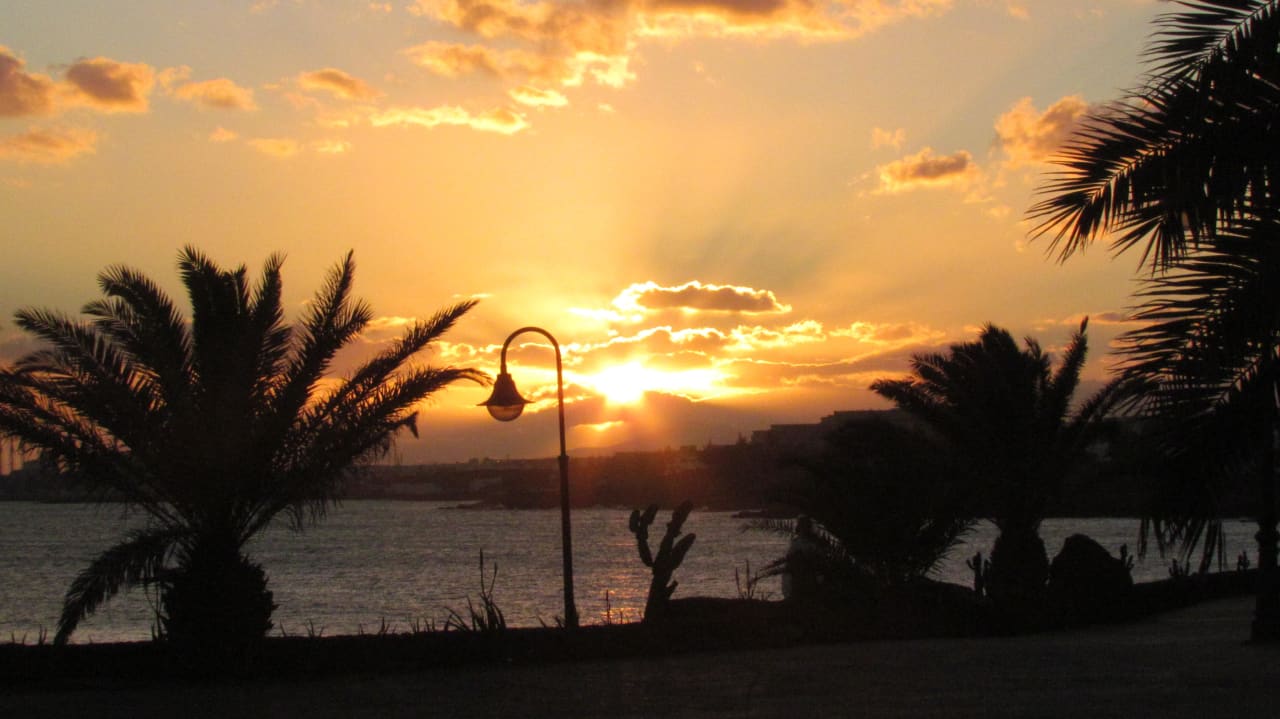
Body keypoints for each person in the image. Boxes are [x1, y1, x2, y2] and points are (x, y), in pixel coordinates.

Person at [782, 515, 822, 601]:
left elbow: (819, 562)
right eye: (802, 527)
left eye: (806, 527)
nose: (804, 530)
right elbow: (789, 562)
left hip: (809, 577)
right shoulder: (796, 543)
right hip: (798, 578)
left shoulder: (814, 544)